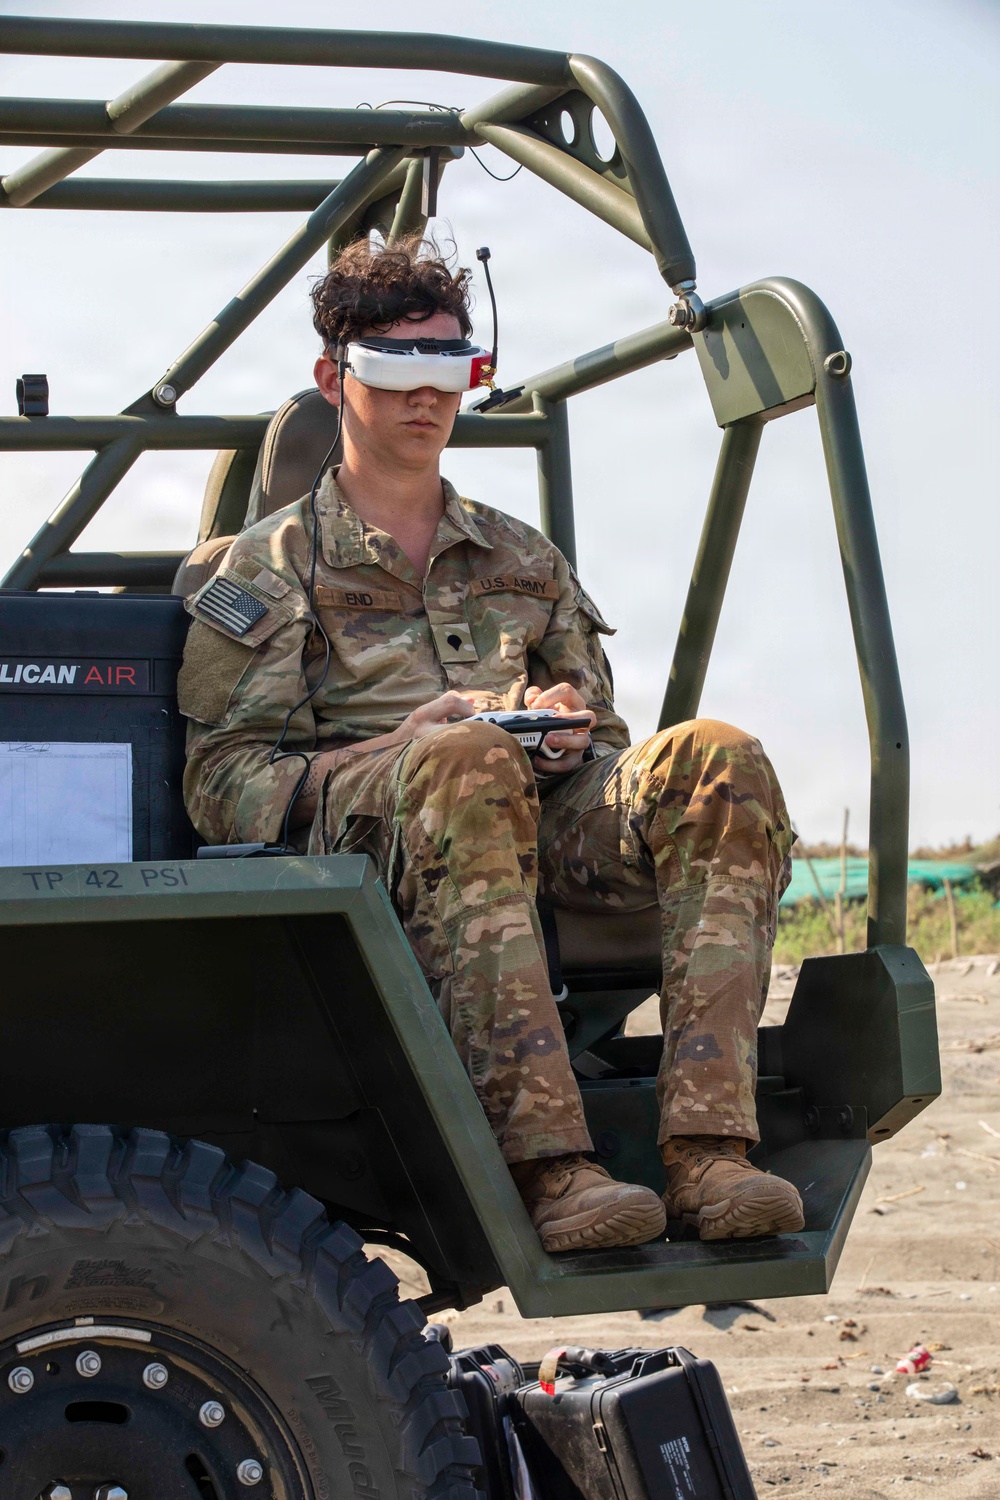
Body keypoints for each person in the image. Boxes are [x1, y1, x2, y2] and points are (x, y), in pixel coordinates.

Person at [178, 236, 804, 1253]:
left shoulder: (521, 555)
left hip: (535, 825)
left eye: (449, 368)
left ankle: (710, 1157)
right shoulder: (269, 568)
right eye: (394, 370)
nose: (426, 397)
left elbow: (604, 738)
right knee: (461, 757)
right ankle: (551, 1171)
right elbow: (221, 785)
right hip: (369, 857)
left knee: (713, 758)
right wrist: (404, 745)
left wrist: (562, 738)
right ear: (333, 379)